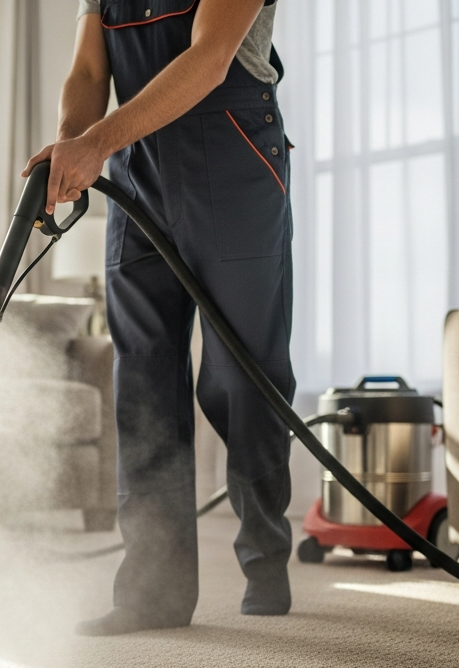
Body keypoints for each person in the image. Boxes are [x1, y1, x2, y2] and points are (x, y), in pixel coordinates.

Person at [23, 0, 295, 635]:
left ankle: (265, 559)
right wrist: (71, 147)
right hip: (139, 170)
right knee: (143, 376)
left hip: (233, 161)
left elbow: (207, 60)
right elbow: (90, 74)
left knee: (242, 374)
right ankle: (152, 592)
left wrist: (96, 143)